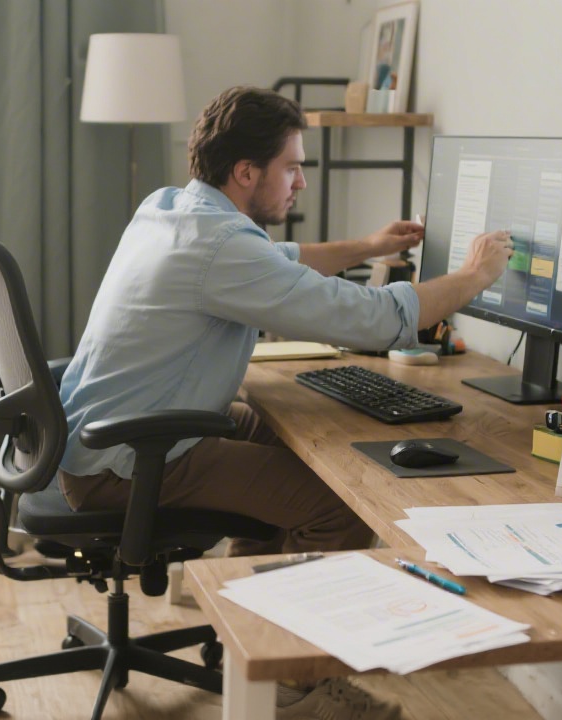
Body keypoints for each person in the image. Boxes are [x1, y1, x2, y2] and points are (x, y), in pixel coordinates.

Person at [57, 85, 511, 718]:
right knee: (337, 507)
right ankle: (294, 688)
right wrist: (474, 276)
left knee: (282, 451)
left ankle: (251, 637)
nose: (300, 181)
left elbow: (278, 260)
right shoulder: (221, 249)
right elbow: (378, 320)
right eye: (292, 166)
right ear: (247, 171)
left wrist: (370, 246)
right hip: (128, 461)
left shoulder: (172, 208)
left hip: (106, 436)